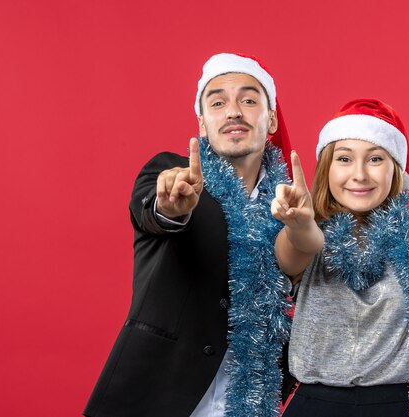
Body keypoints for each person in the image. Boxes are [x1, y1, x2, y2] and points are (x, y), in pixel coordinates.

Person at [84, 53, 296, 417]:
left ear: (272, 117)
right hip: (160, 393)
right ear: (202, 122)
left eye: (248, 100)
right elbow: (151, 211)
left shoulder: (291, 205)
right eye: (217, 102)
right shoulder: (170, 172)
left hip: (252, 400)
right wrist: (171, 207)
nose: (233, 111)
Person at [271, 98, 409, 417]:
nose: (360, 174)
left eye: (375, 158)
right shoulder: (310, 236)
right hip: (316, 405)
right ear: (327, 168)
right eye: (345, 159)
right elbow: (300, 246)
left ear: (396, 170)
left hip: (396, 405)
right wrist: (299, 224)